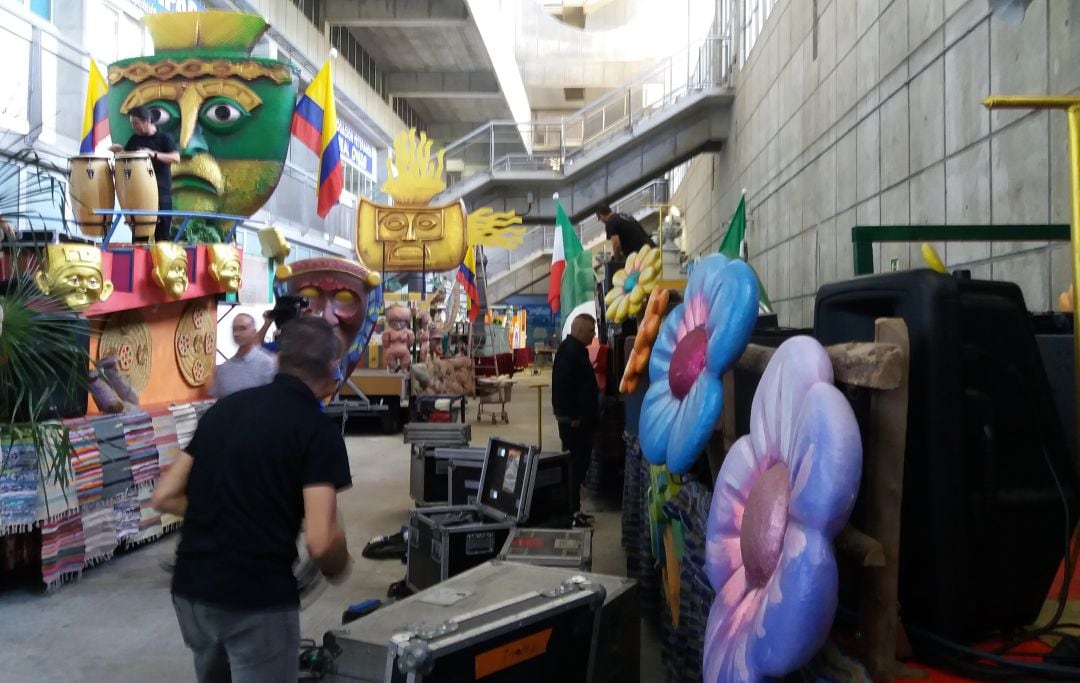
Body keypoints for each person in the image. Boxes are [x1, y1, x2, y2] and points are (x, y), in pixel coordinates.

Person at [151, 317, 353, 683]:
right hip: (255, 598)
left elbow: (165, 496)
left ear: (280, 360)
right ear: (331, 368)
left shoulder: (224, 411)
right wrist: (340, 562)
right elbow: (322, 544)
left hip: (192, 591)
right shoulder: (318, 431)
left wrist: (229, 511)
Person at [551, 313, 600, 526]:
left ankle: (575, 509)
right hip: (574, 423)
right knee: (574, 467)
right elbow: (562, 387)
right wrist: (572, 416)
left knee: (580, 465)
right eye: (590, 331)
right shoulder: (569, 353)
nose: (594, 334)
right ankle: (571, 513)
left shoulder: (576, 350)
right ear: (579, 331)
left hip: (580, 420)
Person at [109, 105, 179, 242]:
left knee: (162, 238)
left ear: (147, 121)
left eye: (136, 123)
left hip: (161, 192)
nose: (134, 127)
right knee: (139, 237)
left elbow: (176, 158)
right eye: (132, 124)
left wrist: (153, 154)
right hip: (139, 196)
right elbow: (128, 158)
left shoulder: (165, 139)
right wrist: (120, 150)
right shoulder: (135, 140)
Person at [210, 313, 277, 399]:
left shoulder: (268, 364)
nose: (236, 333)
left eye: (242, 328)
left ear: (253, 332)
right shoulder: (223, 369)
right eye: (234, 329)